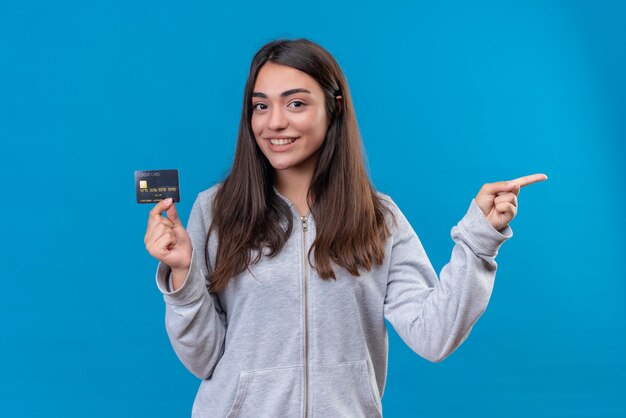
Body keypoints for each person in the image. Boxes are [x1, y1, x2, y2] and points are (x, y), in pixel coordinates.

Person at [143, 38, 547, 418]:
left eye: (296, 103)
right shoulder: (216, 210)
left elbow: (433, 336)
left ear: (333, 107)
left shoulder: (377, 217)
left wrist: (480, 241)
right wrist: (183, 274)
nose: (274, 123)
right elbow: (204, 359)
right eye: (260, 106)